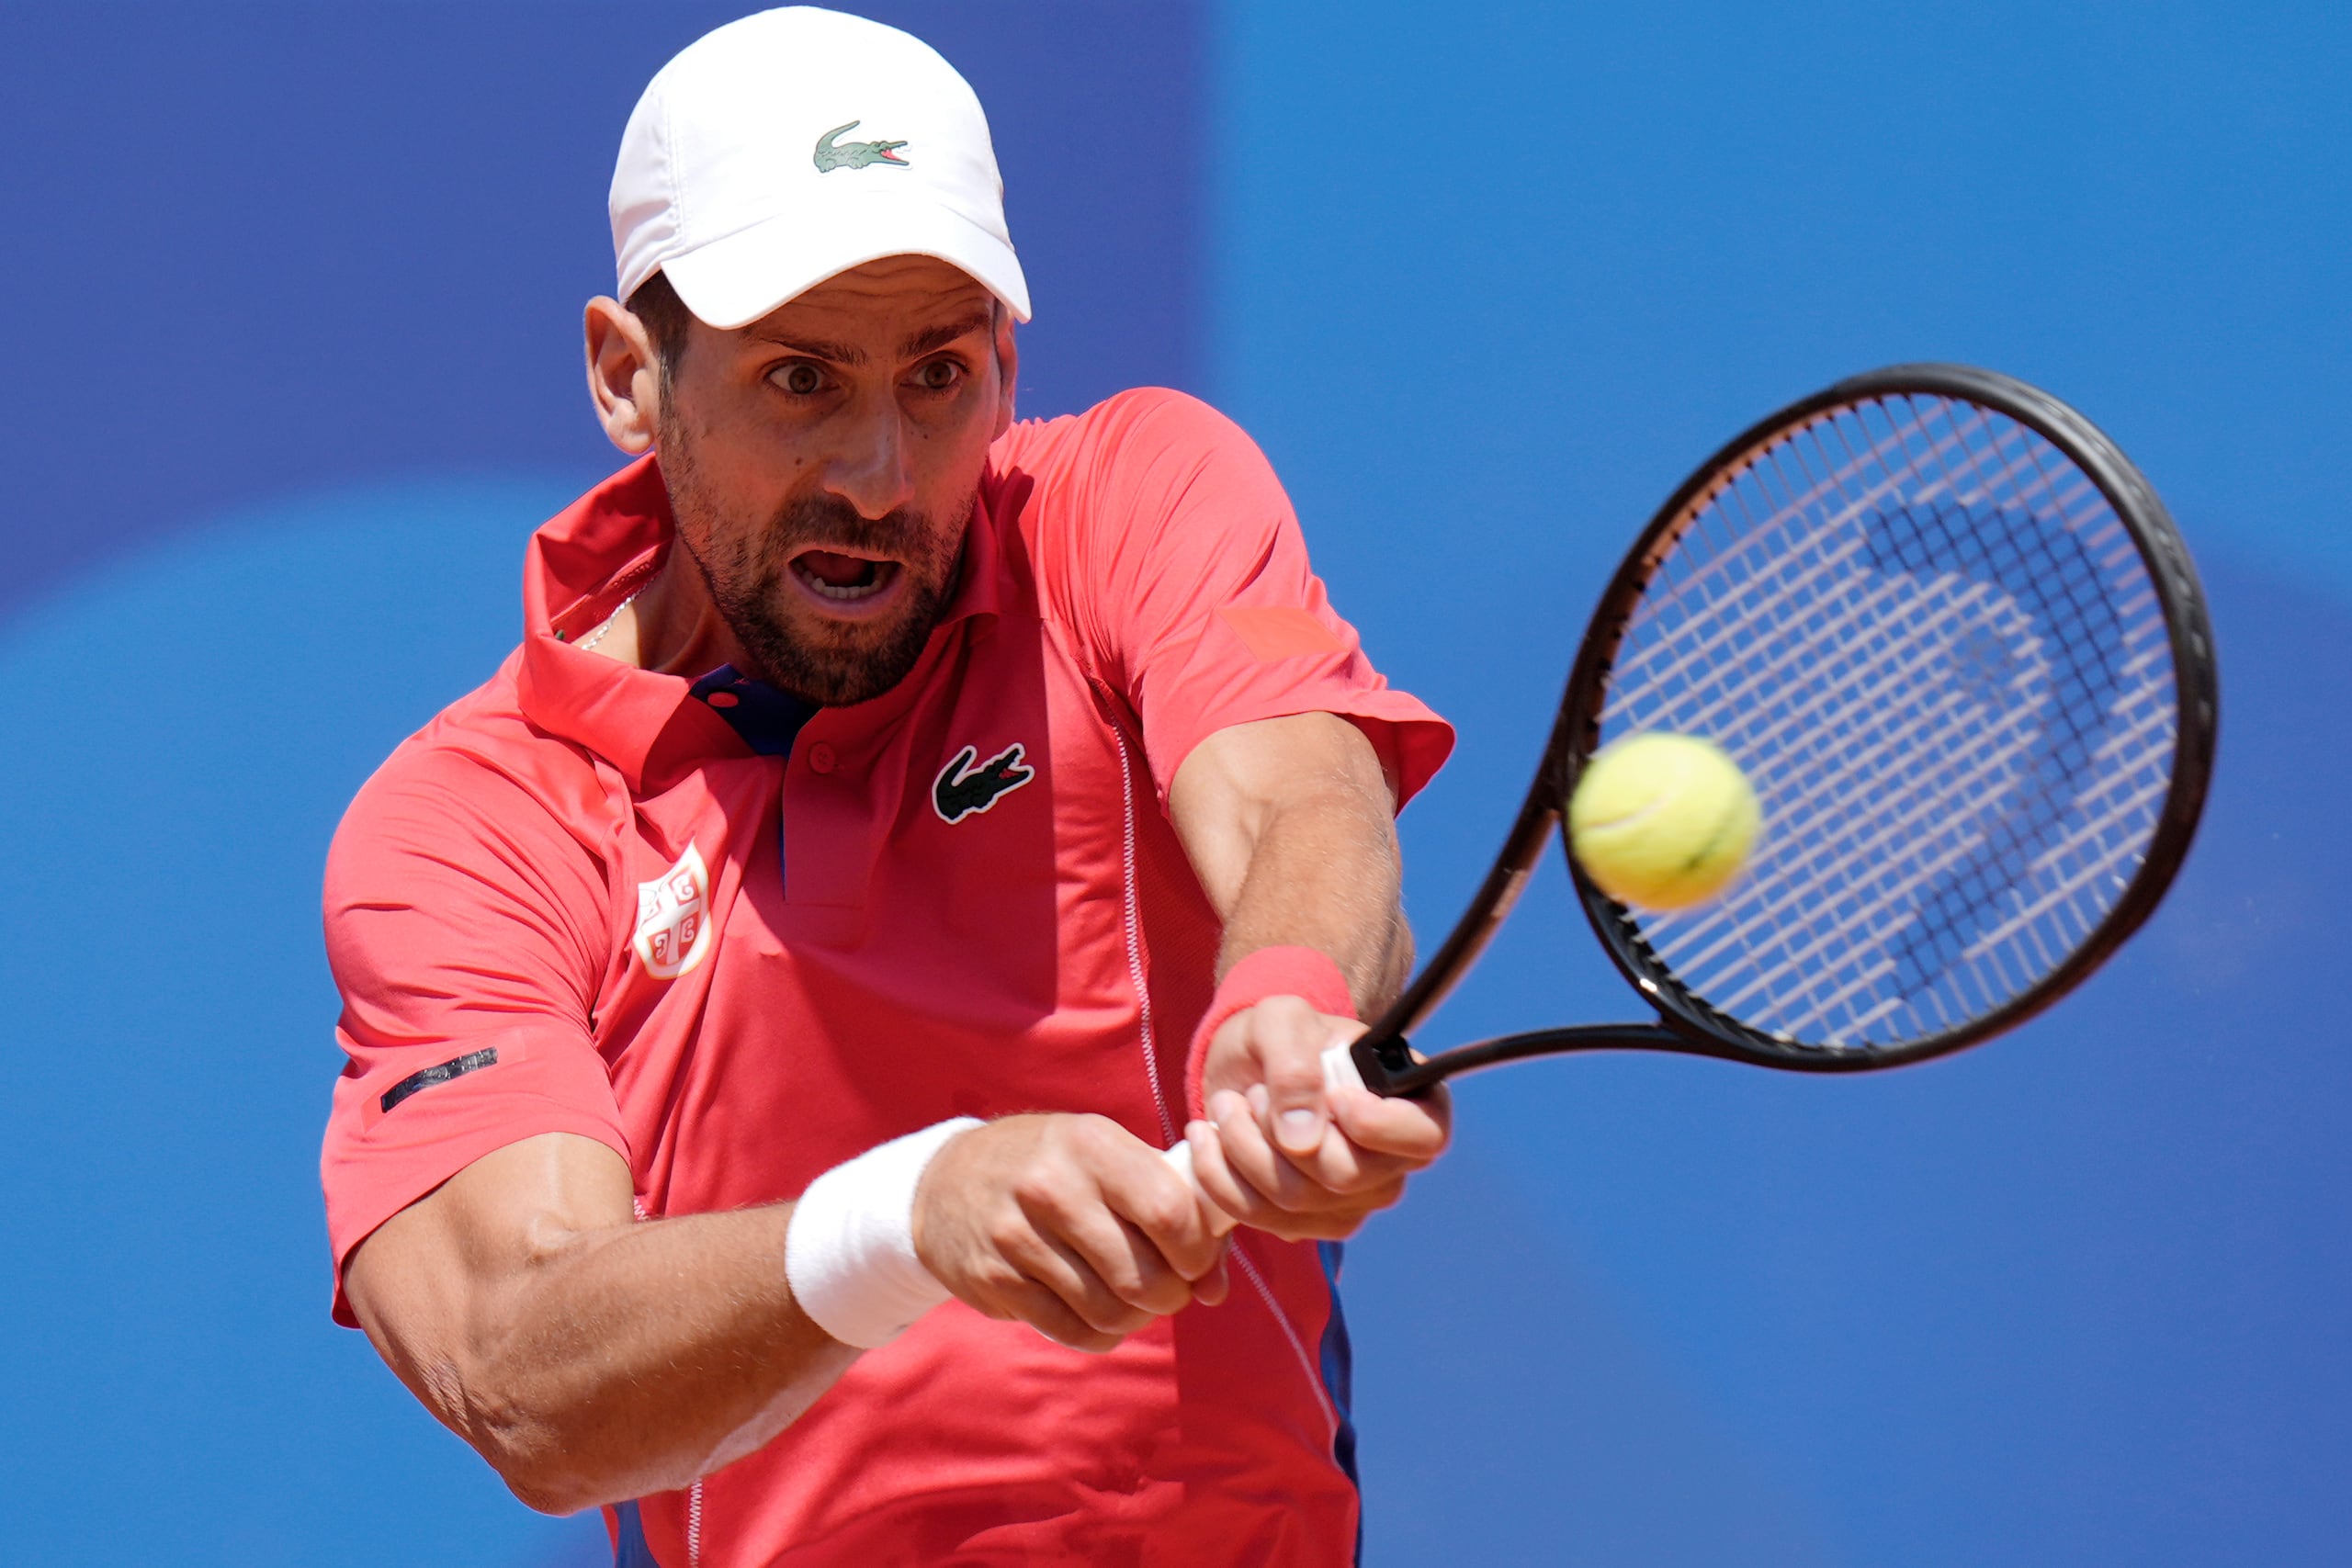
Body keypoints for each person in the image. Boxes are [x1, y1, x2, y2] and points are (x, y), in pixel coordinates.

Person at [319, 8, 1455, 1564]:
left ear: (1006, 364)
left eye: (938, 375)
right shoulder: (471, 826)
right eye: (801, 379)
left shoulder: (1126, 501)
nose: (881, 472)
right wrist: (908, 1216)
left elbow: (1297, 798)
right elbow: (521, 1369)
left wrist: (1292, 992)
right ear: (628, 378)